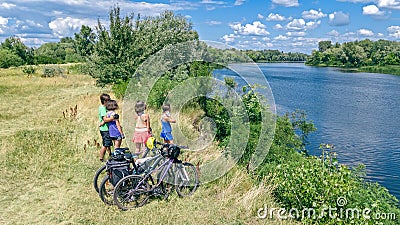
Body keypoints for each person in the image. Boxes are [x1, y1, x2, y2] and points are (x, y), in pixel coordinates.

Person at [98, 93, 116, 162]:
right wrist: (112, 118)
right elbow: (105, 119)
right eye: (108, 100)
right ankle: (101, 158)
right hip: (105, 129)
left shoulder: (104, 108)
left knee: (108, 144)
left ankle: (110, 155)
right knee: (105, 144)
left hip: (106, 128)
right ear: (104, 101)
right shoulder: (102, 108)